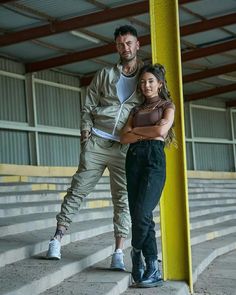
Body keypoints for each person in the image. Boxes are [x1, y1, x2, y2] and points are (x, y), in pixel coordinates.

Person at [46, 25, 144, 271]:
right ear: (116, 47)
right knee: (78, 189)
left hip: (125, 146)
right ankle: (57, 238)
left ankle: (118, 252)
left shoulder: (146, 76)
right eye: (121, 44)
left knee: (123, 199)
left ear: (137, 45)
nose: (125, 48)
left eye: (129, 43)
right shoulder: (104, 74)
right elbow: (88, 104)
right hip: (98, 141)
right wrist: (85, 133)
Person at [120, 63, 175, 287]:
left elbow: (162, 131)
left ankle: (136, 252)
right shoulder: (135, 110)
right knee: (139, 215)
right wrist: (146, 132)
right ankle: (152, 267)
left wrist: (136, 132)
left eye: (151, 81)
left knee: (142, 212)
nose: (146, 85)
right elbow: (123, 137)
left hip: (154, 160)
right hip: (133, 160)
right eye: (143, 82)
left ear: (159, 84)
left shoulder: (166, 106)